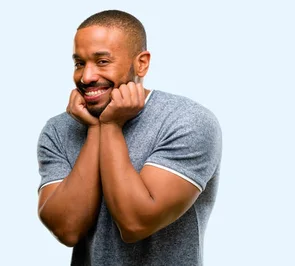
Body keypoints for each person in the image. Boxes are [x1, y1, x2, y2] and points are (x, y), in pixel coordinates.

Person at [36, 10, 222, 265]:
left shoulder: (186, 121)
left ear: (141, 63)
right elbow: (67, 229)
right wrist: (95, 130)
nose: (86, 77)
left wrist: (111, 125)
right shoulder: (59, 129)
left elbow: (135, 223)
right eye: (79, 63)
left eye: (102, 61)